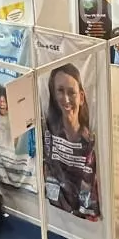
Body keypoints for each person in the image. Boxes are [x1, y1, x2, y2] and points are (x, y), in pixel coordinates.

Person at [43, 63, 99, 220]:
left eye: (71, 92)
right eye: (60, 91)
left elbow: (90, 185)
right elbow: (50, 173)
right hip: (58, 214)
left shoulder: (92, 139)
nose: (66, 99)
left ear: (81, 97)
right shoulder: (49, 132)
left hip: (85, 219)